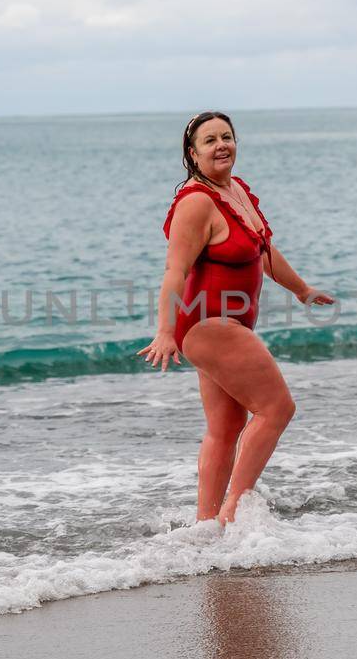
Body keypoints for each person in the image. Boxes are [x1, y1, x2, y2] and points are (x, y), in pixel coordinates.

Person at [137, 111, 335, 526]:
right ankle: (233, 515)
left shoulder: (237, 191)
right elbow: (175, 271)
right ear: (192, 154)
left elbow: (264, 251)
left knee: (226, 428)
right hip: (209, 324)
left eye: (226, 136)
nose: (221, 145)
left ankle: (206, 527)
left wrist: (301, 289)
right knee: (277, 409)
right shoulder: (196, 203)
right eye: (209, 141)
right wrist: (164, 331)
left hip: (228, 325)